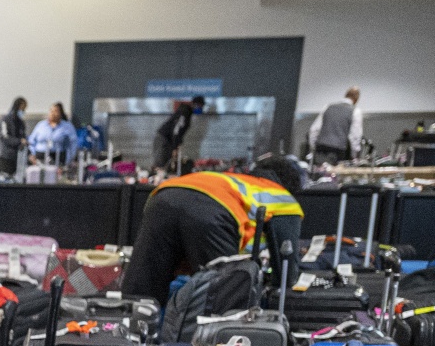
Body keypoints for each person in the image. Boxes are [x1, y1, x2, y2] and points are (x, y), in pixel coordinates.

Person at [122, 154, 306, 306]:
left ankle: (127, 337)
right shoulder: (282, 197)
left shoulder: (234, 180)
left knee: (143, 287)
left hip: (163, 196)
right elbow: (286, 271)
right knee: (223, 297)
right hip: (213, 210)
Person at [311, 88, 363, 165]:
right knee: (334, 175)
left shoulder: (328, 107)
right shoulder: (355, 111)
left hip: (321, 149)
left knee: (319, 174)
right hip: (338, 152)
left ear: (346, 95)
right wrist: (354, 156)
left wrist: (314, 147)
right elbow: (355, 136)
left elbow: (314, 130)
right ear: (356, 99)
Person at [152, 98, 198, 173]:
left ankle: (162, 175)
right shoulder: (184, 113)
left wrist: (176, 145)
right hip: (164, 138)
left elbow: (179, 132)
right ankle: (158, 178)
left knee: (167, 160)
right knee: (161, 161)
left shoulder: (186, 113)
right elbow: (176, 131)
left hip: (168, 140)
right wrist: (175, 147)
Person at [0, 96, 27, 174]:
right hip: (4, 155)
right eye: (22, 109)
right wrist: (19, 141)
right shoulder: (5, 119)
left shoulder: (20, 122)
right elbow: (4, 137)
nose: (23, 111)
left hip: (15, 156)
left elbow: (23, 136)